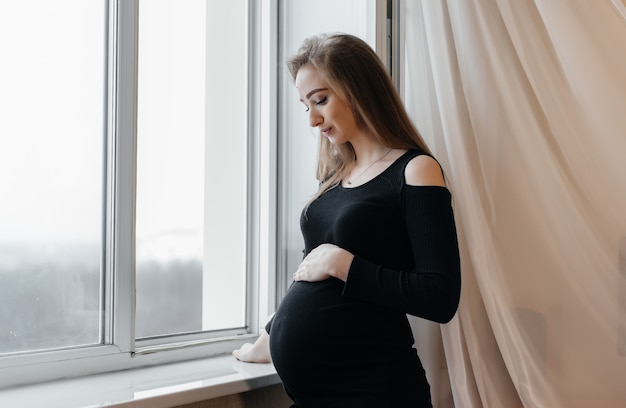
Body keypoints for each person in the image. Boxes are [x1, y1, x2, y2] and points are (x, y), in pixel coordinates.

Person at [233, 33, 461, 407]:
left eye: (320, 100)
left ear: (359, 89)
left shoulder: (416, 171)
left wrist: (345, 265)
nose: (313, 119)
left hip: (375, 391)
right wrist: (271, 336)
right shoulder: (334, 179)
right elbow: (308, 273)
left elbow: (440, 297)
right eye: (305, 105)